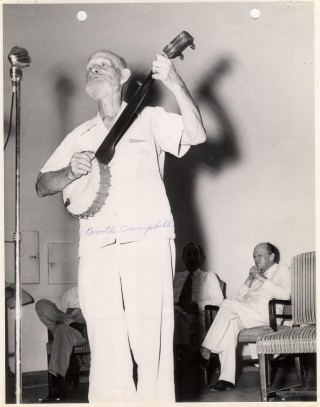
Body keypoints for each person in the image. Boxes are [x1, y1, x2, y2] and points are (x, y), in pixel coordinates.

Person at [35, 49, 206, 402]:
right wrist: (69, 171)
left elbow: (197, 134)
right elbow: (41, 185)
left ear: (124, 76)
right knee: (105, 338)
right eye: (89, 67)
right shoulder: (80, 135)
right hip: (96, 247)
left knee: (151, 338)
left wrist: (174, 81)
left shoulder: (150, 118)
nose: (93, 69)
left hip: (148, 240)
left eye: (102, 64)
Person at [199, 242, 291, 392]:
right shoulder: (256, 275)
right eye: (254, 256)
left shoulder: (282, 269)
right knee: (230, 323)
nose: (256, 259)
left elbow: (286, 295)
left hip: (268, 313)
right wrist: (250, 279)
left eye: (260, 255)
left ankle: (206, 348)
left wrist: (262, 279)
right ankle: (226, 379)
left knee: (227, 304)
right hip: (250, 312)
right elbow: (240, 297)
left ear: (272, 256)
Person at [35, 287, 88, 402]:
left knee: (61, 330)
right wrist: (70, 316)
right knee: (41, 304)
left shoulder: (103, 292)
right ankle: (72, 323)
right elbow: (57, 314)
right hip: (67, 325)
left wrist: (80, 312)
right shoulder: (72, 292)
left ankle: (58, 387)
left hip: (84, 329)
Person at [173, 242, 223, 353]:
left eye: (195, 254)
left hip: (197, 316)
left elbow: (219, 301)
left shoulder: (209, 276)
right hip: (174, 314)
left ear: (201, 257)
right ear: (183, 258)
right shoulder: (175, 277)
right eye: (188, 254)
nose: (192, 257)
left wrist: (195, 304)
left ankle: (183, 354)